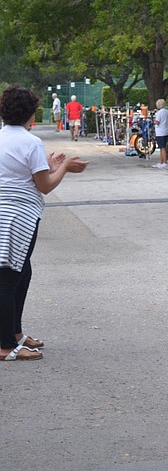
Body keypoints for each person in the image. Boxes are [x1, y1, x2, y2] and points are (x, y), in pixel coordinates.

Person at [0, 86, 88, 361]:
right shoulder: (30, 142)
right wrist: (64, 167)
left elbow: (24, 172)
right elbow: (45, 185)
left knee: (21, 271)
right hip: (20, 216)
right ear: (31, 114)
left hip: (6, 213)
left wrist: (48, 164)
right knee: (8, 278)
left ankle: (14, 333)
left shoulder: (4, 138)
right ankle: (5, 345)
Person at [152, 99, 168, 169]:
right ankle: (162, 162)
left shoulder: (159, 113)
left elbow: (157, 122)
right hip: (166, 130)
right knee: (162, 147)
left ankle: (164, 162)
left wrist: (154, 120)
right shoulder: (167, 112)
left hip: (160, 132)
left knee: (162, 148)